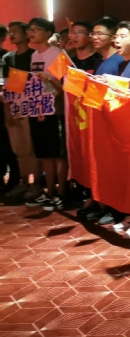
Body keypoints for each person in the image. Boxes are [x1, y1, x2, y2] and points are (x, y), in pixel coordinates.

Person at [24, 18, 66, 211]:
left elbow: (64, 86)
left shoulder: (57, 54)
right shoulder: (34, 56)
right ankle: (49, 191)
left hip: (55, 111)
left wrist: (46, 103)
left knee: (58, 155)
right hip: (38, 111)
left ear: (48, 33)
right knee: (45, 155)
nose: (30, 33)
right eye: (29, 29)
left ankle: (61, 193)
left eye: (35, 29)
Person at [2, 21, 35, 201]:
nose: (12, 35)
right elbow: (9, 86)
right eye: (10, 32)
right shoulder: (9, 58)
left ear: (26, 34)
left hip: (32, 107)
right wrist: (8, 109)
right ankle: (23, 182)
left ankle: (36, 183)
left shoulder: (34, 55)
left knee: (32, 148)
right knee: (19, 148)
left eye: (16, 31)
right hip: (15, 107)